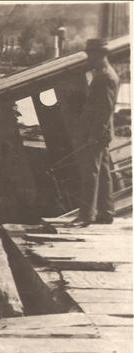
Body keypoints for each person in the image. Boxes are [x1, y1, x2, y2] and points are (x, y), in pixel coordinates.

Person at [72, 38, 120, 227]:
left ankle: (86, 215)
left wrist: (94, 134)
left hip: (97, 133)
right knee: (104, 173)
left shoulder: (105, 77)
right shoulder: (105, 74)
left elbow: (105, 110)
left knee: (90, 172)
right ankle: (106, 212)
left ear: (100, 55)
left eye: (91, 55)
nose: (88, 58)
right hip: (100, 132)